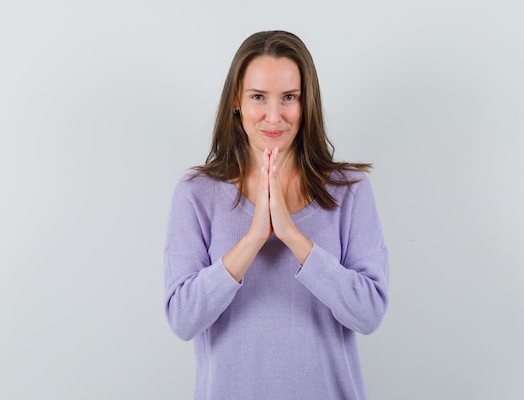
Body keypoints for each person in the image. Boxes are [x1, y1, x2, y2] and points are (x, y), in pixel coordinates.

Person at [163, 30, 388, 400]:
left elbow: (369, 313)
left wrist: (293, 237)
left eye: (289, 97)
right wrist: (253, 238)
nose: (274, 115)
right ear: (237, 100)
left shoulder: (350, 190)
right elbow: (183, 319)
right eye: (258, 97)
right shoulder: (195, 193)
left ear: (306, 102)